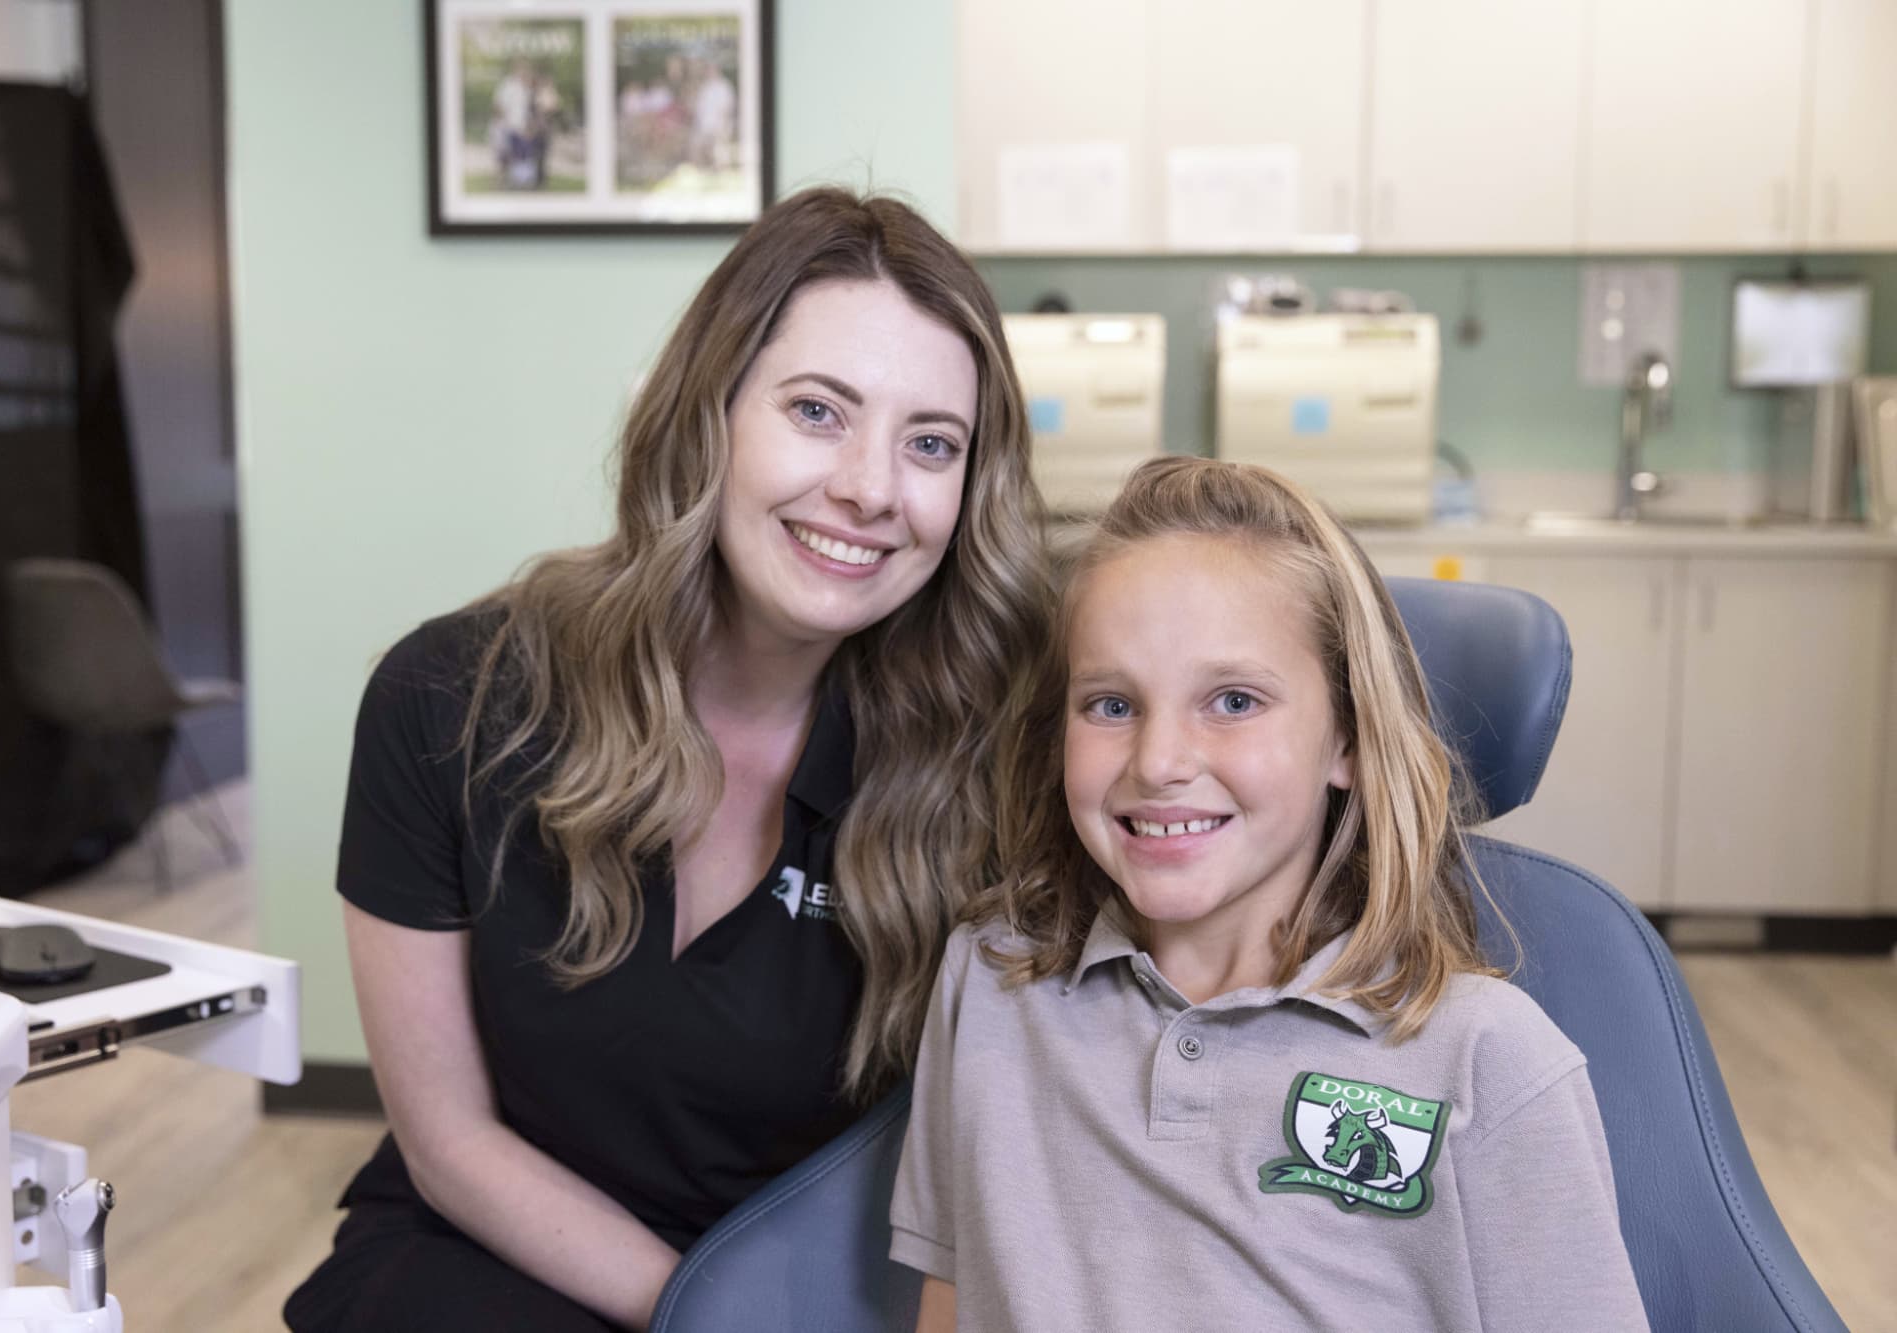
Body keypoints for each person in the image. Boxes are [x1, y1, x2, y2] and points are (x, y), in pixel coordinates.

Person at [284, 188, 1048, 1333]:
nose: (871, 488)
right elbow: (448, 1142)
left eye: (928, 442)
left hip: (810, 1291)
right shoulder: (452, 700)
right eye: (817, 411)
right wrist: (703, 1316)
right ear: (711, 413)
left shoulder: (993, 754)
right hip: (494, 1253)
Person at [890, 457, 1649, 1331]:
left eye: (1234, 700)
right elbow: (949, 1299)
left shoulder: (1484, 1058)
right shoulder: (990, 979)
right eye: (1109, 704)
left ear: (1348, 741)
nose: (1160, 761)